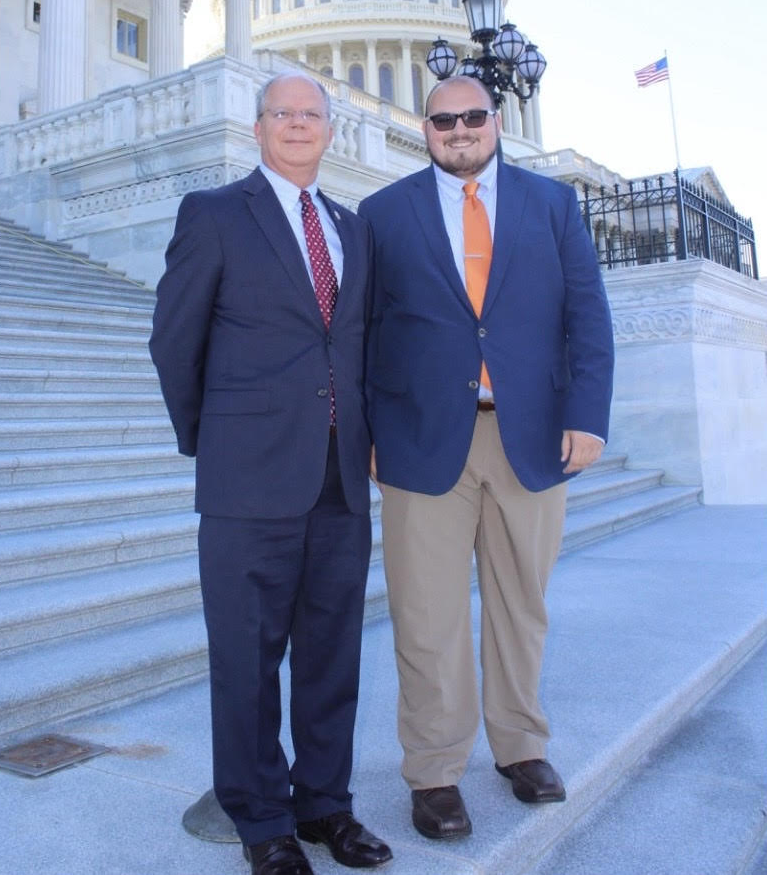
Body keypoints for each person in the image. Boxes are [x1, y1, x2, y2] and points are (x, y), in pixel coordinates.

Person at [357, 74, 614, 841]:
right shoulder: (383, 213)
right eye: (443, 120)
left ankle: (520, 746)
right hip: (420, 438)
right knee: (426, 615)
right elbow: (364, 333)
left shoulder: (552, 205)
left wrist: (589, 417)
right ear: (424, 129)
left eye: (472, 117)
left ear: (495, 122)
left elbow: (586, 316)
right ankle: (434, 770)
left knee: (521, 604)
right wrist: (369, 428)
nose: (459, 129)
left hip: (529, 435)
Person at [150, 72, 392, 875]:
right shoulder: (215, 215)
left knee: (333, 652)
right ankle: (263, 822)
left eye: (310, 115)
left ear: (328, 132)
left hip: (337, 479)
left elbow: (356, 348)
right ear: (257, 129)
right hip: (245, 480)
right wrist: (212, 441)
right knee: (247, 657)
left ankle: (326, 806)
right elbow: (174, 341)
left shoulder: (353, 231)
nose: (297, 125)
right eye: (282, 113)